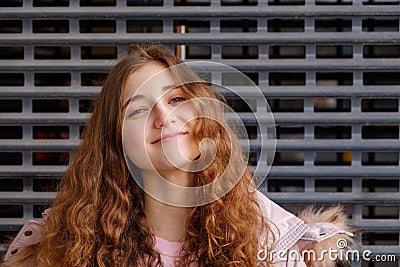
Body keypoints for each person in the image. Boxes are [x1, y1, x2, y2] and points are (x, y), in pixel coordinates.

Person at [2, 43, 354, 267]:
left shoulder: (268, 238)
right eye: (138, 110)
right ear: (115, 143)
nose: (163, 116)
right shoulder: (63, 247)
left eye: (175, 99)